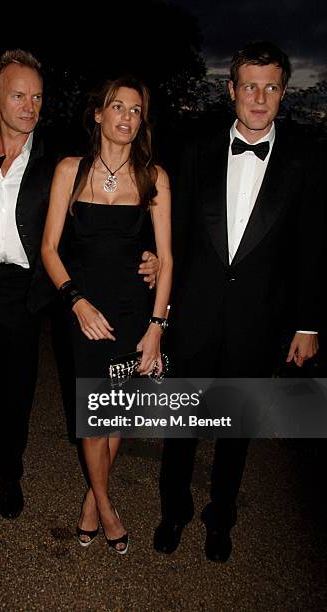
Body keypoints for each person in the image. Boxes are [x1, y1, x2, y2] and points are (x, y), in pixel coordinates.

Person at [0, 50, 161, 520]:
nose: (29, 106)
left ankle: (10, 473)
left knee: (16, 392)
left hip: (26, 291)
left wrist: (147, 256)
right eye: (18, 95)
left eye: (38, 97)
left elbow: (96, 224)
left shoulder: (58, 165)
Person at [154, 41, 325, 562]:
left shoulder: (307, 159)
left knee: (235, 430)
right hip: (195, 314)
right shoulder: (193, 149)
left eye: (270, 87)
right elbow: (174, 234)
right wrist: (155, 281)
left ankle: (220, 518)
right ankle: (173, 511)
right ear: (231, 90)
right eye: (249, 85)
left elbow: (312, 247)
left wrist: (308, 323)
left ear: (283, 94)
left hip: (259, 321)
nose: (258, 97)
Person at [41, 76, 172, 554]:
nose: (126, 117)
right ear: (98, 114)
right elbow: (49, 249)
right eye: (117, 107)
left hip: (134, 311)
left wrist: (157, 327)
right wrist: (75, 301)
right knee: (93, 418)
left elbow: (168, 258)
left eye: (136, 110)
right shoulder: (69, 171)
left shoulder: (154, 176)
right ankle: (107, 506)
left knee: (118, 413)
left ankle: (90, 505)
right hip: (84, 312)